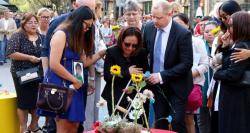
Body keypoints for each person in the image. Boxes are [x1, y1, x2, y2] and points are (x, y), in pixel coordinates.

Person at [41, 6, 95, 132]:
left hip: (74, 85)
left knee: (74, 125)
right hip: (62, 85)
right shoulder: (61, 34)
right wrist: (75, 80)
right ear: (78, 20)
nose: (87, 29)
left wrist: (102, 53)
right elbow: (54, 64)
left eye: (90, 27)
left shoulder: (77, 36)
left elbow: (83, 62)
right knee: (64, 126)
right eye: (86, 25)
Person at [143, 1, 193, 132]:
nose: (154, 20)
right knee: (160, 122)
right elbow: (143, 53)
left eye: (158, 17)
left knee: (176, 121)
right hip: (156, 87)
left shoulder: (182, 33)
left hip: (177, 86)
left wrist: (161, 75)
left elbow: (186, 63)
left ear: (170, 14)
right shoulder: (148, 28)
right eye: (152, 16)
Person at [6, 13, 44, 133]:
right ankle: (23, 128)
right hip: (21, 74)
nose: (33, 24)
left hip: (39, 74)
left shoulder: (41, 37)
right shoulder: (18, 35)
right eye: (30, 22)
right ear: (23, 23)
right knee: (24, 102)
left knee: (37, 101)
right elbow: (11, 53)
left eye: (35, 22)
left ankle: (33, 125)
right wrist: (29, 58)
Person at [213, 11, 250, 133]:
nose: (228, 29)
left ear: (241, 26)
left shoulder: (242, 45)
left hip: (237, 99)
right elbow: (228, 63)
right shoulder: (238, 44)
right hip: (233, 97)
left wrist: (216, 74)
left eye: (231, 26)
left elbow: (232, 74)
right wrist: (225, 47)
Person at [173, 13, 209, 133]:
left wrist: (189, 75)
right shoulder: (171, 41)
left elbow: (205, 64)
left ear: (187, 25)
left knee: (188, 119)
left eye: (180, 24)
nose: (177, 27)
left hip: (191, 85)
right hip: (173, 85)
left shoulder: (197, 42)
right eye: (174, 24)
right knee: (172, 118)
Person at [102, 27, 149, 116]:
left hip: (135, 97)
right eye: (127, 44)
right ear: (121, 41)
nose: (130, 48)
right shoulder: (112, 52)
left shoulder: (141, 53)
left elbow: (145, 75)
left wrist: (133, 88)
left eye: (134, 45)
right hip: (115, 96)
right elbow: (107, 76)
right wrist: (127, 72)